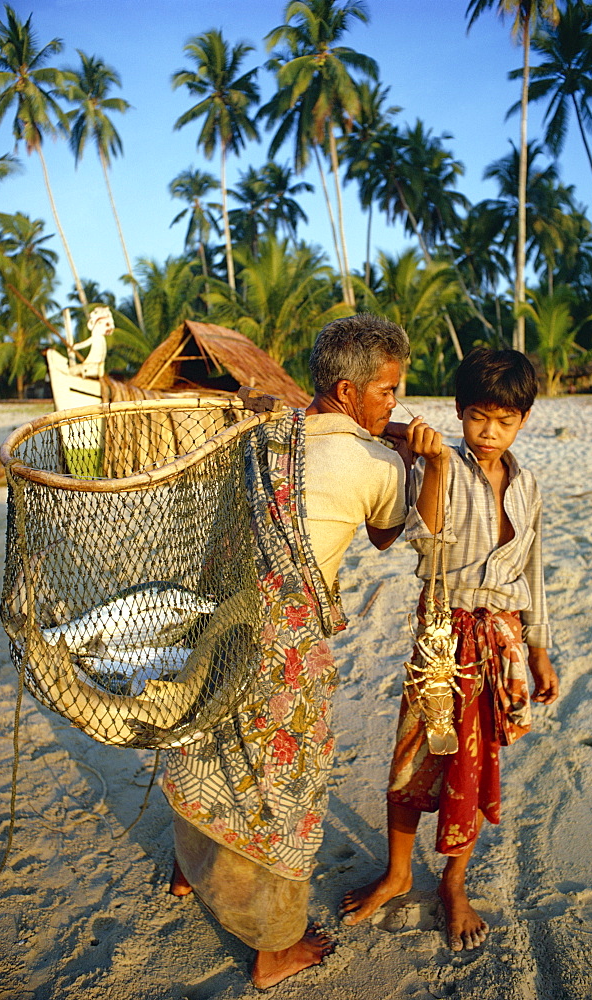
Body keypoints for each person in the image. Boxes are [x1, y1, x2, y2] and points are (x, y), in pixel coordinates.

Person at [163, 314, 412, 990]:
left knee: (206, 747)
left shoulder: (259, 437)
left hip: (221, 626)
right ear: (347, 389)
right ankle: (273, 947)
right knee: (280, 793)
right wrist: (409, 452)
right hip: (283, 654)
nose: (395, 403)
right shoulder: (378, 464)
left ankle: (188, 870)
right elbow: (388, 536)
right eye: (387, 391)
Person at [340, 347, 559, 952]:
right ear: (460, 413)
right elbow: (426, 539)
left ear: (525, 420)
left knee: (477, 760)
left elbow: (533, 568)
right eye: (479, 417)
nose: (490, 433)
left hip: (503, 638)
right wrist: (432, 466)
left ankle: (455, 883)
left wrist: (539, 646)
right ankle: (399, 871)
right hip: (444, 632)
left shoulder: (529, 484)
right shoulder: (442, 466)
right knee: (414, 754)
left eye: (505, 420)